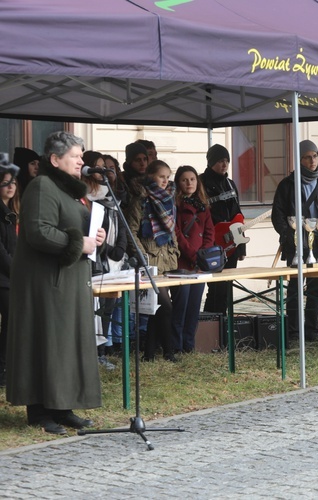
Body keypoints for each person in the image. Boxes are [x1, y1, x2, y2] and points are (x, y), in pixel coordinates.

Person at [5, 131, 106, 434]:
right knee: (45, 342)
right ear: (54, 159)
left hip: (69, 281)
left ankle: (62, 407)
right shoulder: (41, 187)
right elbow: (38, 232)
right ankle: (39, 411)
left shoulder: (69, 190)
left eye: (81, 156)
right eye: (75, 156)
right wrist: (80, 243)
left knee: (65, 345)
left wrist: (94, 238)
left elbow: (69, 227)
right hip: (46, 283)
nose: (81, 162)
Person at [271, 140, 318, 342]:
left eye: (315, 156)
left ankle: (311, 330)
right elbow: (278, 216)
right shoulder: (287, 185)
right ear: (299, 160)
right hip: (297, 246)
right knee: (295, 289)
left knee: (316, 288)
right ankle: (293, 331)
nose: (312, 161)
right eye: (308, 157)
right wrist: (288, 236)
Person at [126, 159, 180, 362]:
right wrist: (143, 257)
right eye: (161, 177)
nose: (165, 181)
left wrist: (176, 249)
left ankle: (149, 354)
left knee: (159, 309)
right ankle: (169, 352)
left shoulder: (169, 199)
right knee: (165, 306)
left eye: (168, 177)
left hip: (167, 259)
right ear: (150, 176)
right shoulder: (141, 199)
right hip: (150, 261)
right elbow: (131, 230)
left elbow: (171, 229)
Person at [83, 150, 128, 370]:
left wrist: (119, 247)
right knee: (95, 311)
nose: (102, 171)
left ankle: (102, 353)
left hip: (113, 263)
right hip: (95, 264)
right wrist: (107, 248)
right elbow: (91, 234)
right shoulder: (85, 200)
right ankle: (92, 354)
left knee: (108, 308)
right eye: (98, 166)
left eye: (104, 166)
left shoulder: (110, 197)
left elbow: (122, 229)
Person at [172, 165, 215, 353]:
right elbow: (177, 234)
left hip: (200, 265)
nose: (189, 183)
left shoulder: (203, 207)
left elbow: (209, 232)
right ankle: (175, 346)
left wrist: (203, 256)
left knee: (194, 307)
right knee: (180, 307)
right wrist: (192, 254)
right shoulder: (175, 206)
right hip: (182, 263)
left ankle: (189, 345)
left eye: (192, 179)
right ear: (178, 183)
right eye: (184, 179)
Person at [200, 144, 246, 315]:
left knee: (226, 288)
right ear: (211, 162)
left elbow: (238, 216)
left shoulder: (230, 183)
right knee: (215, 289)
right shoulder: (200, 182)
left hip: (232, 243)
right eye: (220, 161)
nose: (224, 164)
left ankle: (222, 327)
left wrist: (241, 246)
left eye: (226, 161)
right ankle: (210, 325)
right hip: (211, 243)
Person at [0, 168, 19, 387]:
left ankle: (4, 368)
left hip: (10, 276)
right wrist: (14, 270)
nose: (11, 186)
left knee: (10, 324)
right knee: (10, 323)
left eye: (13, 182)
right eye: (5, 183)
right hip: (4, 277)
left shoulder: (10, 211)